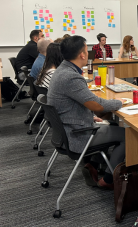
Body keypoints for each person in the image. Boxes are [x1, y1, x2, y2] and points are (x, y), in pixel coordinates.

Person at [47, 36, 126, 189]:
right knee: (127, 135)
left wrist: (91, 116)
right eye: (86, 50)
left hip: (68, 128)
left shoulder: (62, 70)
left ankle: (93, 165)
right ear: (82, 55)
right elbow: (97, 105)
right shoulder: (70, 77)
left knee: (111, 122)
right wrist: (120, 102)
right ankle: (109, 179)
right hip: (76, 135)